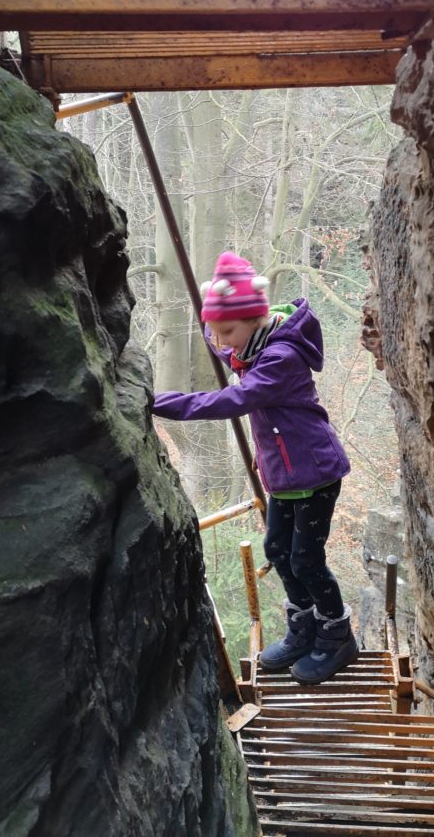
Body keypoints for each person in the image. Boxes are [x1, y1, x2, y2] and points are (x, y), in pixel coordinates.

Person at [151, 251, 359, 684]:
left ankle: (337, 635)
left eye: (227, 331)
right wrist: (217, 333)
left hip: (315, 473)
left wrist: (161, 403)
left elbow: (234, 398)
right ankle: (304, 628)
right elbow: (234, 353)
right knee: (278, 552)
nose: (222, 340)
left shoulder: (280, 358)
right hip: (284, 477)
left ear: (255, 319)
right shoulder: (252, 344)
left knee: (306, 560)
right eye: (216, 332)